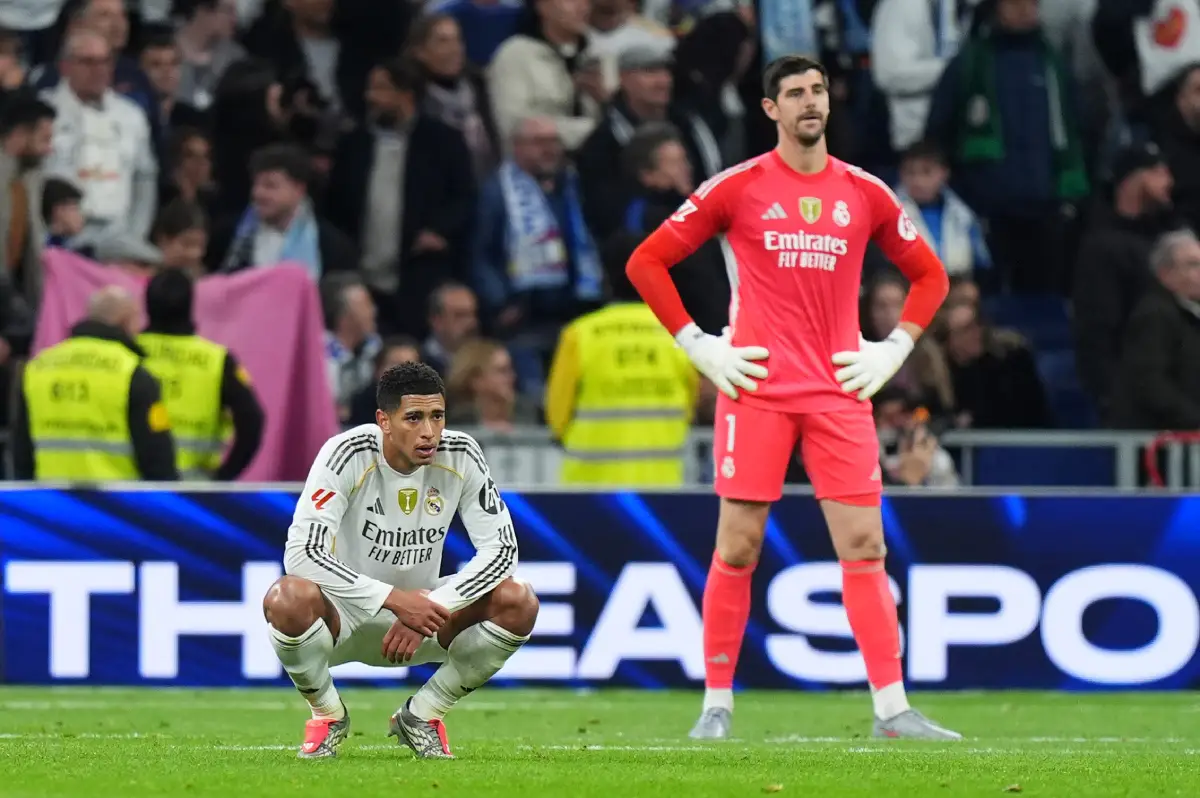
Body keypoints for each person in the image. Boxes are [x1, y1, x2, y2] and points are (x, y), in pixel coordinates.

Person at [624, 55, 956, 740]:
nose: (810, 102)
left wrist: (892, 349)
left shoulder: (863, 192)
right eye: (795, 94)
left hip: (839, 391)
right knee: (739, 545)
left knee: (865, 545)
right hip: (758, 388)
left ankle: (893, 711)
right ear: (771, 109)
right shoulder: (738, 187)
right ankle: (716, 704)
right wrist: (697, 344)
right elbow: (645, 261)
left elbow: (930, 277)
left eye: (818, 91)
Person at [261, 362, 537, 759]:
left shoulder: (460, 454)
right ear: (384, 421)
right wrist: (394, 599)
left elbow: (502, 551)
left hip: (424, 619)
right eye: (413, 418)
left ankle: (423, 714)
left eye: (437, 416)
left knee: (519, 600)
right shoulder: (347, 454)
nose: (429, 432)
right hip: (346, 615)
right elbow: (302, 553)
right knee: (285, 598)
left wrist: (434, 605)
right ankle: (326, 715)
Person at [545, 232, 698, 485]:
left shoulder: (580, 335)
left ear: (604, 274)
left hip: (589, 491)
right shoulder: (678, 333)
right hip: (662, 489)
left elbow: (557, 417)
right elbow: (689, 410)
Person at [12, 286, 178, 481]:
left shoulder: (37, 369)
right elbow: (157, 457)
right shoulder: (134, 373)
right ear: (125, 321)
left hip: (52, 504)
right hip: (116, 505)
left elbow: (22, 451)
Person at [138, 269, 265, 480]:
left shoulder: (128, 353)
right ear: (190, 305)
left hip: (133, 488)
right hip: (196, 489)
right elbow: (253, 421)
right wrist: (224, 478)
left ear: (147, 305)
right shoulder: (217, 360)